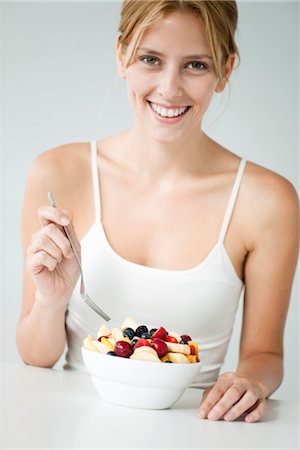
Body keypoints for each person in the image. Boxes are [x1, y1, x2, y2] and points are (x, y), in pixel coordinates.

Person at [17, 0, 299, 423]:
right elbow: (37, 358)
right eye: (150, 59)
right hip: (78, 429)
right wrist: (50, 300)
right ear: (121, 56)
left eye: (196, 66)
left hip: (200, 433)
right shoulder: (58, 173)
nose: (170, 89)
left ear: (225, 70)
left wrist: (251, 382)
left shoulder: (268, 200)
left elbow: (264, 354)